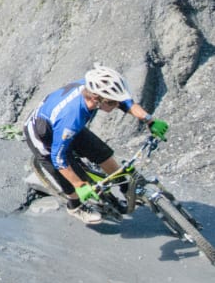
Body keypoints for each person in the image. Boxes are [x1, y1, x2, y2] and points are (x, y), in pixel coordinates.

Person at [24, 64, 169, 224]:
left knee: (103, 154)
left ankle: (125, 187)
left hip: (60, 124)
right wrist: (80, 185)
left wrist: (149, 120)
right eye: (112, 103)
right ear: (96, 99)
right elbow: (58, 158)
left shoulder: (97, 90)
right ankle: (75, 206)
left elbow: (124, 102)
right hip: (43, 136)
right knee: (70, 180)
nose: (116, 106)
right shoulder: (71, 119)